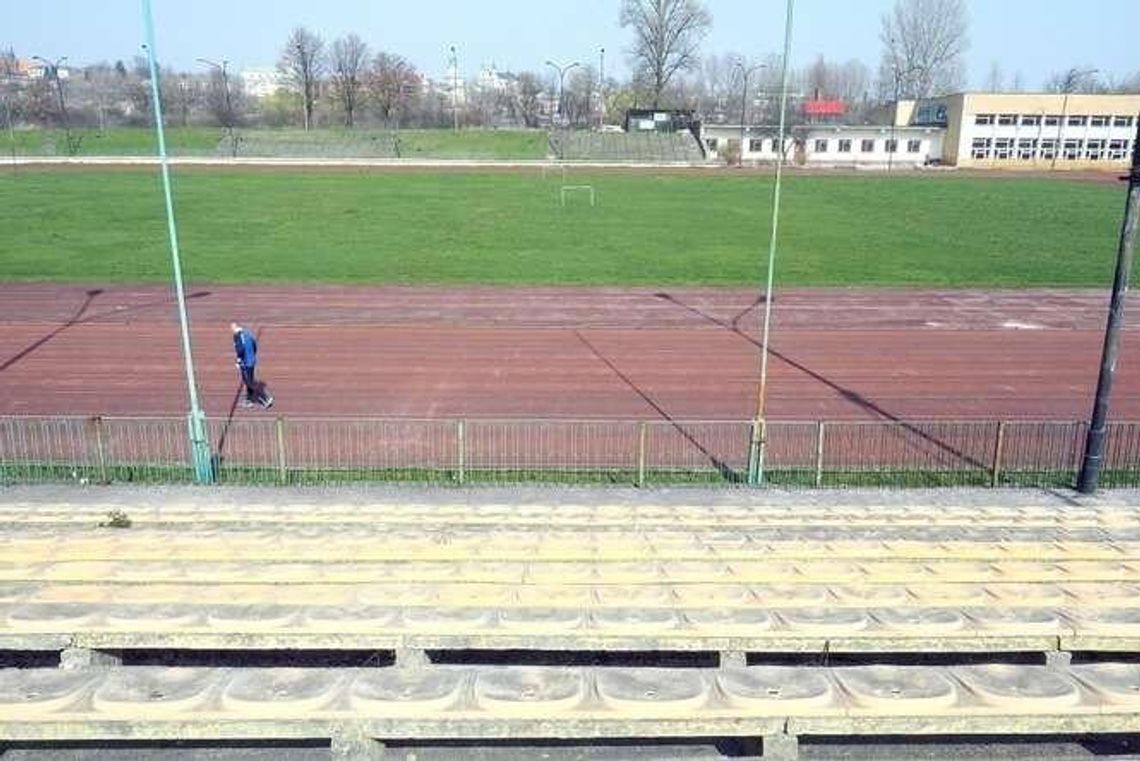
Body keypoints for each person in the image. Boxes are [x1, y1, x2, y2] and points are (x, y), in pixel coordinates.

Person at [231, 322, 273, 409]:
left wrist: (239, 360)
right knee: (249, 380)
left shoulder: (237, 336)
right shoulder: (247, 333)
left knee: (249, 382)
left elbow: (240, 349)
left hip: (246, 363)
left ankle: (266, 398)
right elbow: (254, 344)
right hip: (252, 360)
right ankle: (249, 400)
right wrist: (252, 354)